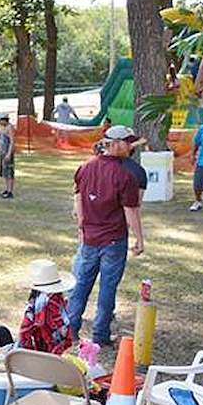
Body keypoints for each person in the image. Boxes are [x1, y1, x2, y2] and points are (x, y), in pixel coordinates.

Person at [68, 125, 146, 347]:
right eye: (127, 142)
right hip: (113, 240)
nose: (131, 146)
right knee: (107, 288)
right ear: (115, 144)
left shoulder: (85, 167)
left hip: (89, 239)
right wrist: (139, 239)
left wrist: (82, 227)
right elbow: (131, 210)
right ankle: (100, 334)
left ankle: (71, 330)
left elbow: (78, 197)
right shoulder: (125, 175)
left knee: (80, 285)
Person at [17, 259, 76, 354]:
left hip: (38, 354)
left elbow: (24, 334)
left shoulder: (34, 303)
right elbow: (64, 335)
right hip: (54, 356)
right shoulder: (55, 302)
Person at [0, 115, 16, 199]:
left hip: (8, 153)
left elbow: (12, 142)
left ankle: (10, 191)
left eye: (0, 120)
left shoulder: (10, 127)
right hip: (2, 152)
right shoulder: (1, 128)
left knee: (9, 172)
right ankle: (6, 189)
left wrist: (9, 153)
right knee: (4, 172)